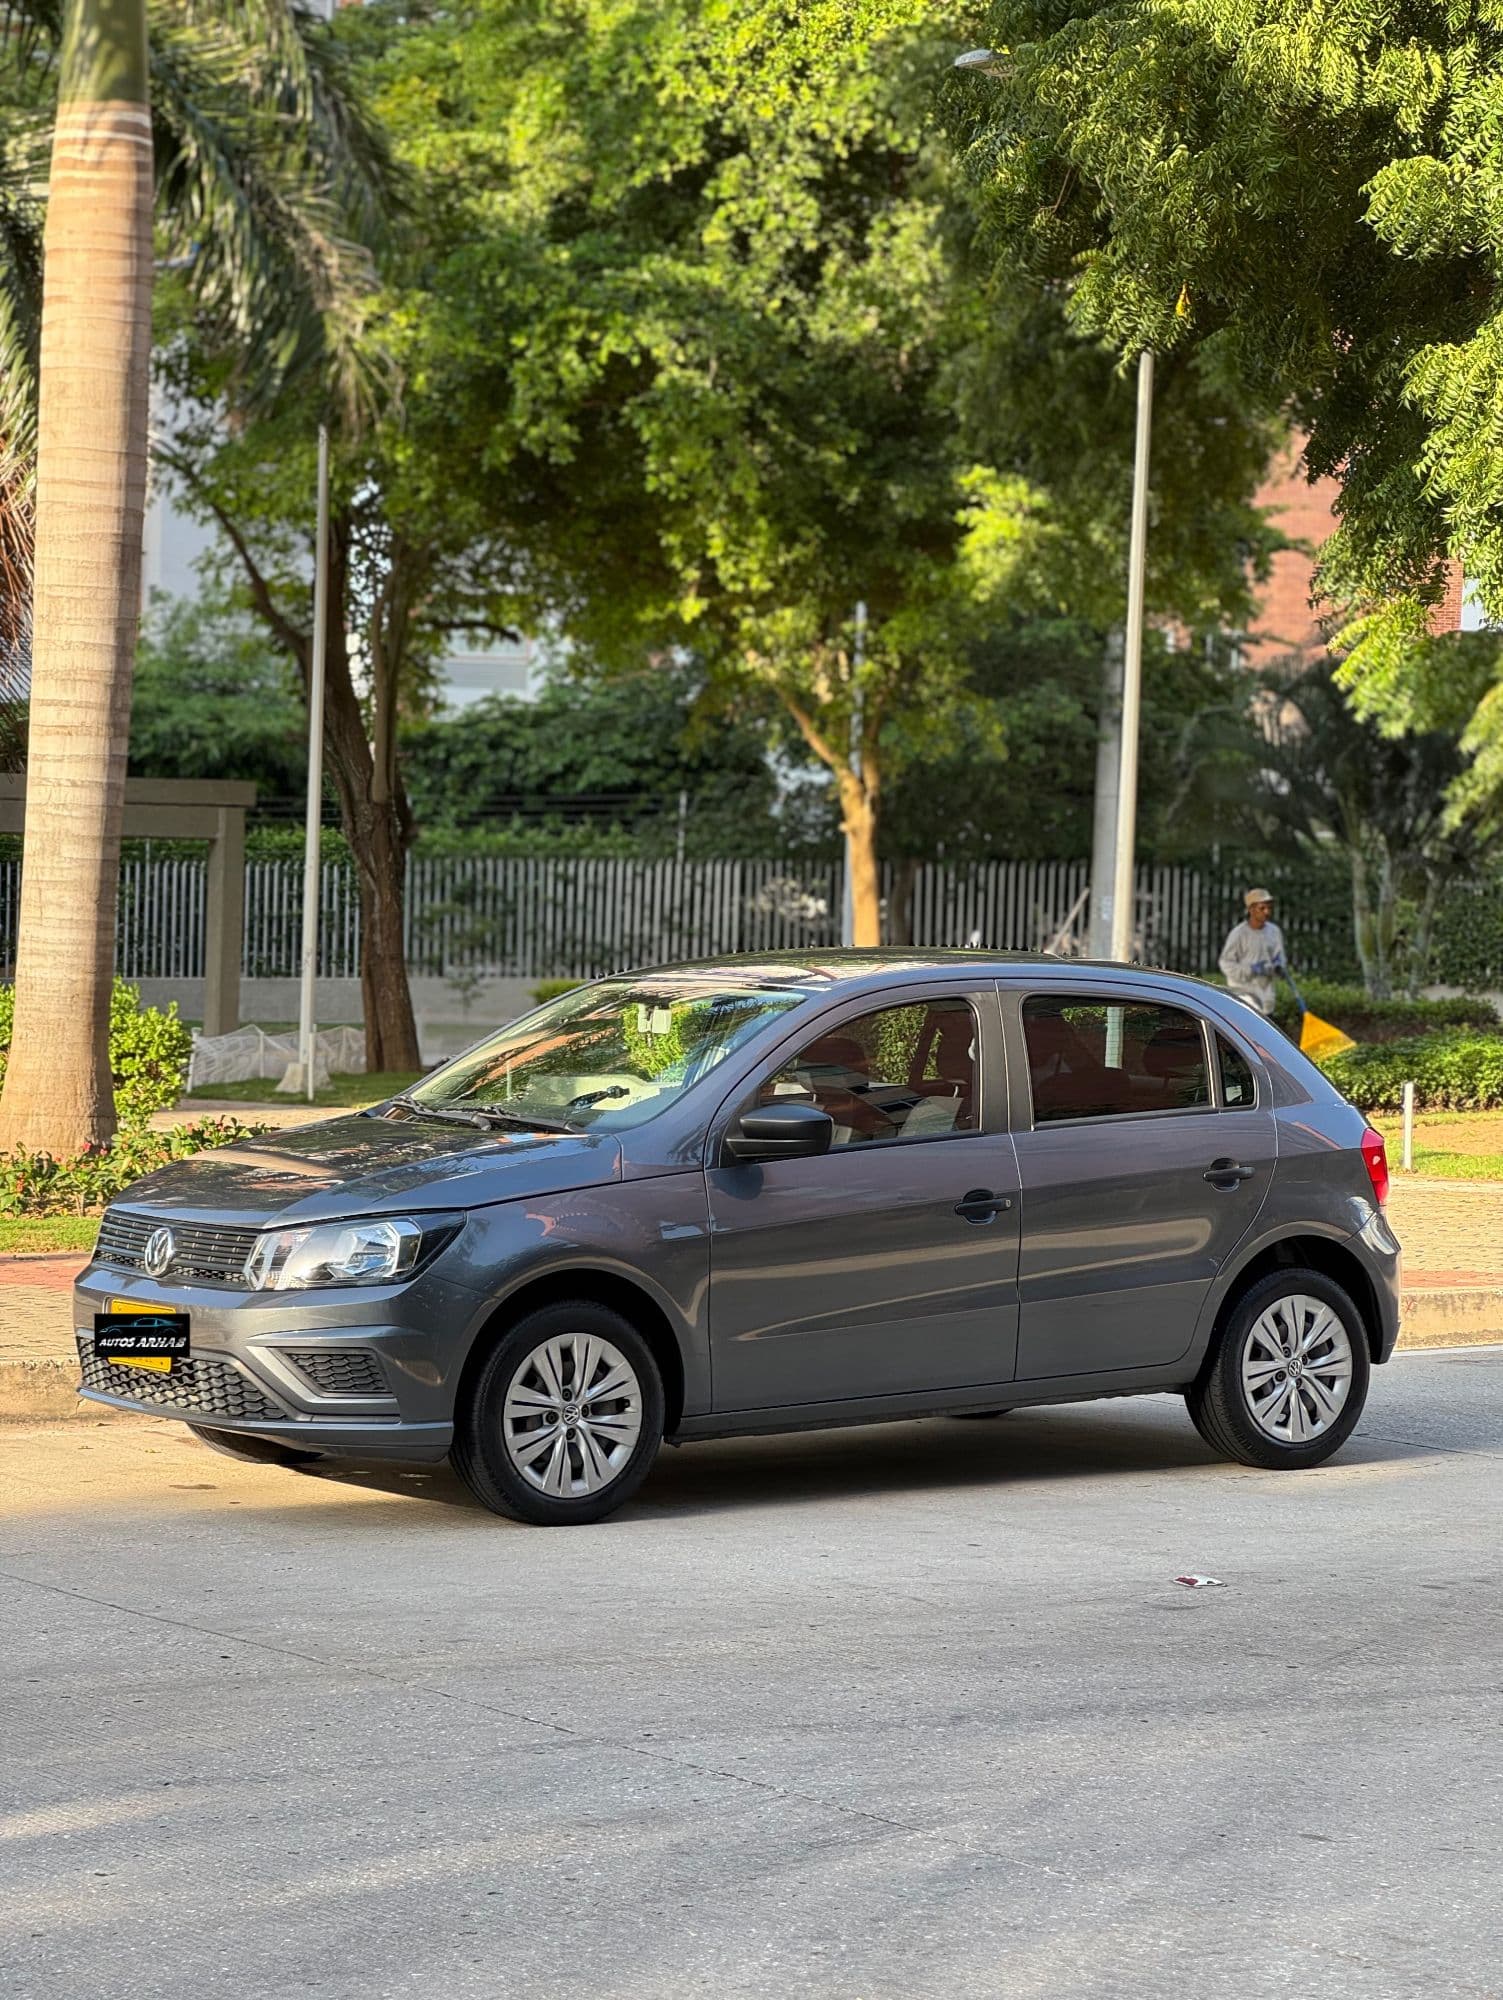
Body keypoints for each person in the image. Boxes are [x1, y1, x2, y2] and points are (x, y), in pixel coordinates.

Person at [1219, 887, 1287, 1016]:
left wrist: (1279, 966)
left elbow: (1280, 956)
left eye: (1269, 908)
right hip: (1244, 997)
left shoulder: (1274, 932)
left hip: (1266, 997)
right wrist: (1250, 970)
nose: (1267, 912)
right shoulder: (1239, 934)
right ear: (1251, 909)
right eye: (1262, 908)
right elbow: (1226, 963)